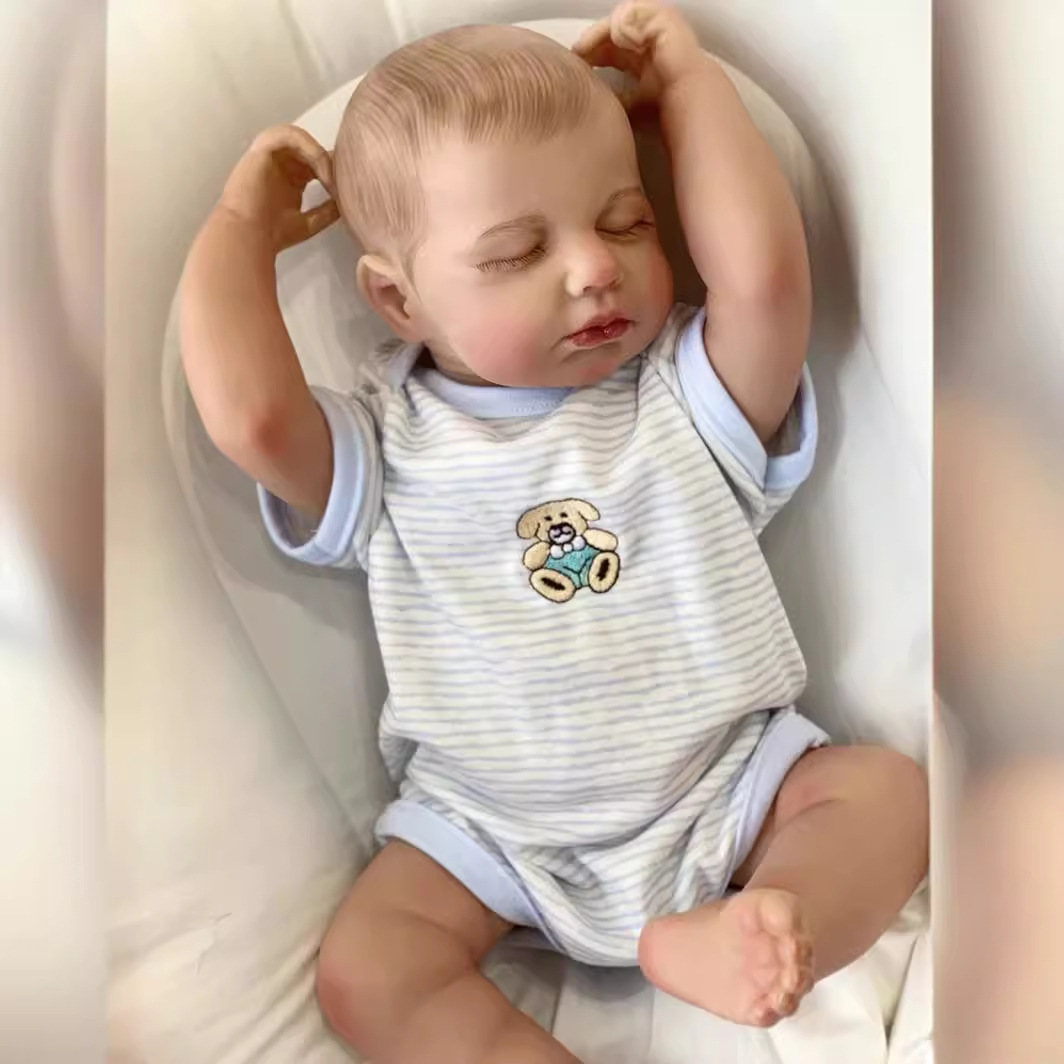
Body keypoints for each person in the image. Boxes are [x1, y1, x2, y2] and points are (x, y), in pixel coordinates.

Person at [179, 4, 929, 1061]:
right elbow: (253, 418)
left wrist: (688, 87)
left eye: (625, 221)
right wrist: (236, 230)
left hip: (727, 782)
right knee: (369, 969)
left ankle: (757, 925)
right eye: (517, 251)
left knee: (887, 797)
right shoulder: (385, 445)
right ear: (398, 299)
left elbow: (763, 278)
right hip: (490, 831)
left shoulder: (684, 396)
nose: (591, 268)